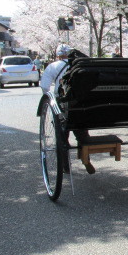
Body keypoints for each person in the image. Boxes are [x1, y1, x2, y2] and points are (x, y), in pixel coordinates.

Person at [40, 44, 95, 174]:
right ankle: (86, 159)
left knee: (62, 135)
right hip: (80, 102)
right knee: (82, 133)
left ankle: (66, 166)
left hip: (62, 103)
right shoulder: (81, 65)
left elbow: (45, 87)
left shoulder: (53, 66)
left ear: (58, 55)